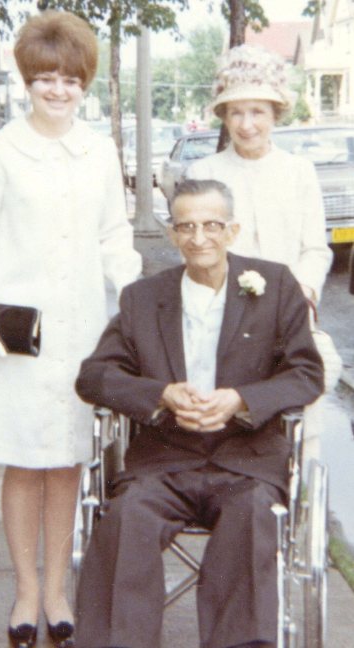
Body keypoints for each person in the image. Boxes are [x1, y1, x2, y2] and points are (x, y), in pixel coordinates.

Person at [0, 11, 141, 648]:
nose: (57, 90)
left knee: (66, 463)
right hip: (17, 333)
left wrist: (131, 300)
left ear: (84, 83)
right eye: (45, 78)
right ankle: (25, 591)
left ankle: (57, 589)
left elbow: (115, 236)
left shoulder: (101, 151)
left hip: (83, 328)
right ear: (27, 81)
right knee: (22, 461)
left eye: (69, 79)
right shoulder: (1, 152)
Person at [74, 179, 324, 648]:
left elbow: (306, 373)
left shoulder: (276, 285)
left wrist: (242, 401)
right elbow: (94, 377)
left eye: (212, 225)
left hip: (245, 462)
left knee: (252, 520)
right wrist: (161, 394)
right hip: (165, 461)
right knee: (127, 519)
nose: (199, 237)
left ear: (232, 230)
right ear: (172, 234)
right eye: (186, 226)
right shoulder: (142, 298)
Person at [187, 44, 334, 464]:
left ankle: (296, 480)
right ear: (223, 116)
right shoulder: (204, 173)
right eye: (236, 112)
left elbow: (314, 249)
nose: (247, 124)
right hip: (219, 318)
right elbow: (196, 253)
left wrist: (300, 297)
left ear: (275, 114)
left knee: (308, 388)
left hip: (286, 318)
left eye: (258, 112)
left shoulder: (298, 173)